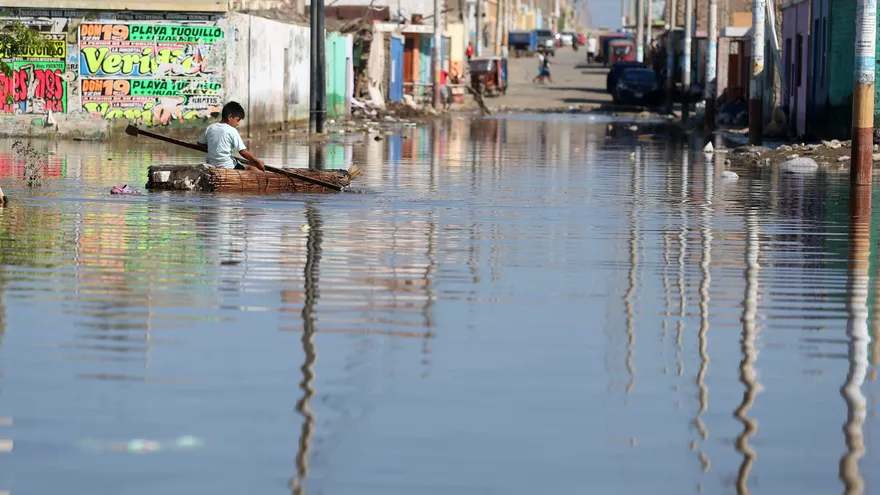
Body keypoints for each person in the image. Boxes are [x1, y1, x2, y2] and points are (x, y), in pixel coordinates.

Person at [196, 101, 265, 172]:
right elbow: (243, 152)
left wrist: (213, 148)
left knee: (238, 162)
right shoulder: (232, 130)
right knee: (250, 168)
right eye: (237, 120)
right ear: (230, 117)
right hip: (228, 167)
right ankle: (264, 178)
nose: (238, 123)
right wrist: (257, 162)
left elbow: (199, 143)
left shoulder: (210, 127)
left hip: (211, 165)